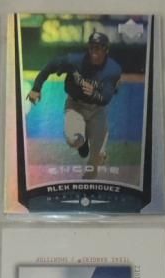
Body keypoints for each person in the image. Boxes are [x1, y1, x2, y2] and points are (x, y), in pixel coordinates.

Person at [27, 31, 122, 177]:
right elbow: (50, 66)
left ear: (106, 50)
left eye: (98, 48)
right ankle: (82, 143)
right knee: (74, 139)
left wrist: (94, 93)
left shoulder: (112, 69)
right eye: (92, 47)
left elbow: (105, 99)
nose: (94, 51)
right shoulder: (74, 61)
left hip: (98, 109)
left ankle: (88, 183)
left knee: (97, 158)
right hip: (75, 106)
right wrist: (36, 88)